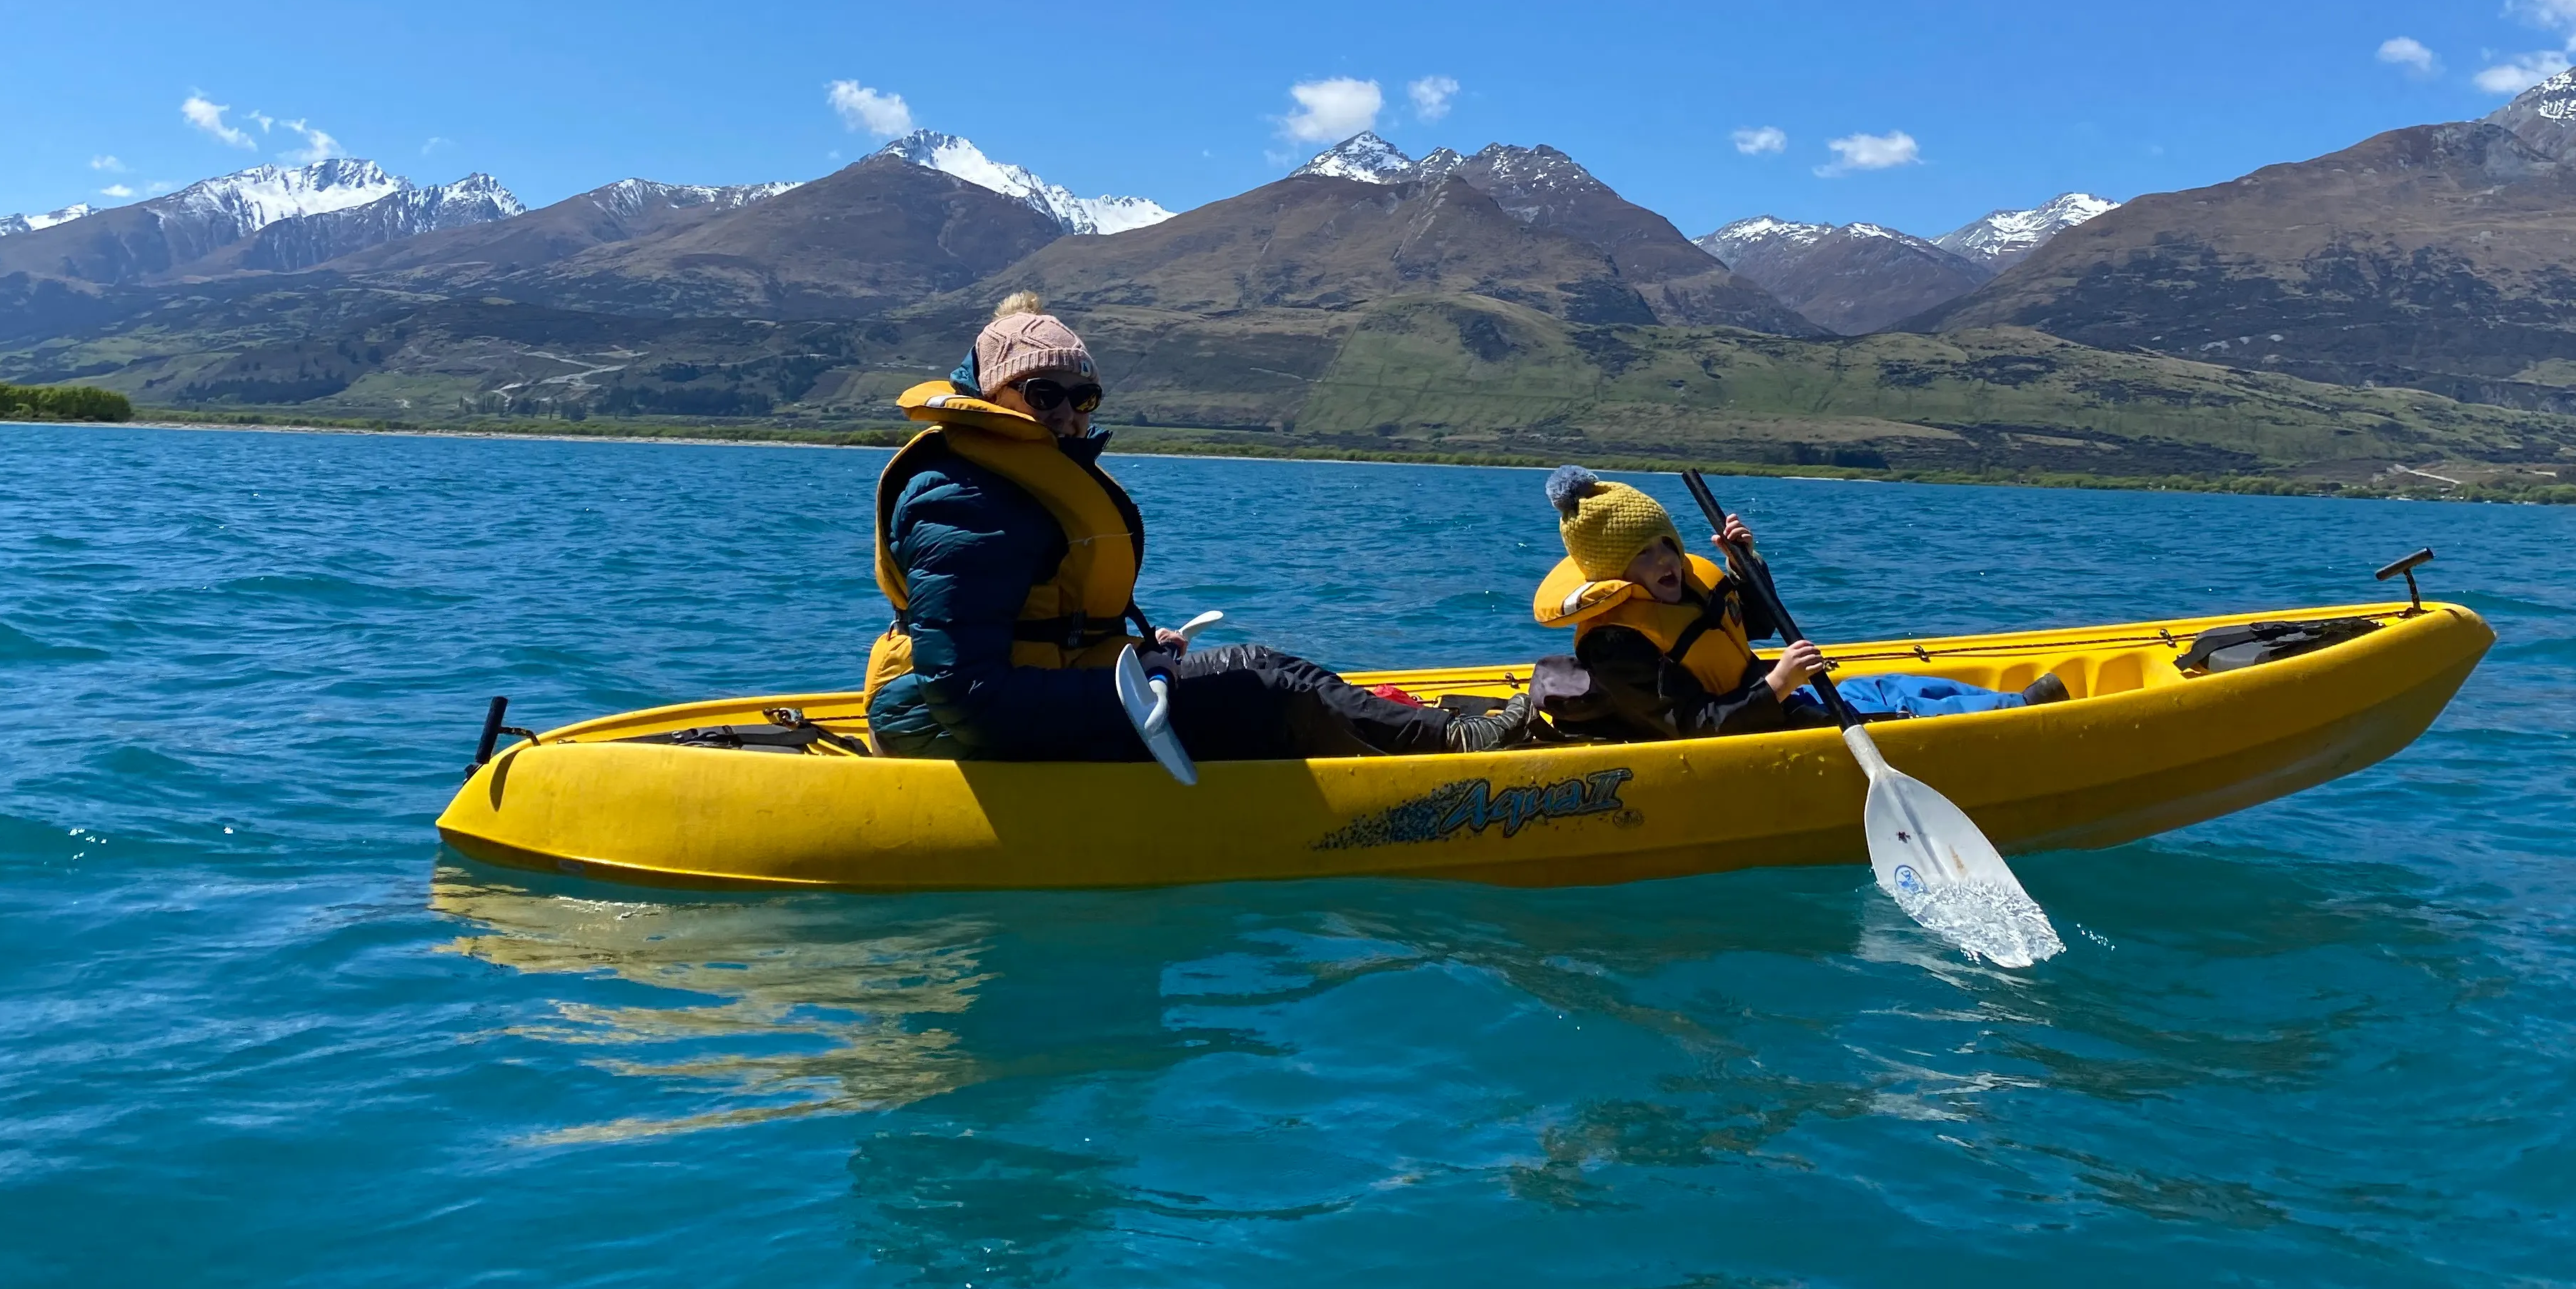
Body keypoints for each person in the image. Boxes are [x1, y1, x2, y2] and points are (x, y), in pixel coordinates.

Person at [862, 292, 1532, 762]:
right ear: (994, 394)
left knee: (1256, 668)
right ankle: (1449, 749)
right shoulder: (965, 499)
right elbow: (970, 695)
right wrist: (1131, 683)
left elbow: (1039, 627)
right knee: (1266, 684)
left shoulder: (1013, 481)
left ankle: (1428, 732)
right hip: (945, 725)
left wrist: (1136, 651)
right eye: (1044, 394)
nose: (1068, 414)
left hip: (1009, 701)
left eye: (1083, 397)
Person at [1528, 467, 2066, 741]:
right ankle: (2022, 721)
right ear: (1613, 574)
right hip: (1743, 727)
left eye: (1666, 544)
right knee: (1893, 715)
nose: (1665, 560)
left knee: (1895, 686)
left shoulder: (1685, 581)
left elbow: (1755, 624)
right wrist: (1779, 684)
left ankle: (2017, 704)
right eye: (1643, 555)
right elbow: (1697, 726)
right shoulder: (1616, 642)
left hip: (1765, 700)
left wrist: (1746, 565)